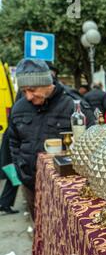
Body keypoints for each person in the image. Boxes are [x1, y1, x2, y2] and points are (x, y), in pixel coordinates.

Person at [8, 59, 95, 217]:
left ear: (47, 83)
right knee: (40, 230)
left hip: (67, 190)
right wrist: (22, 171)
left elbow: (94, 139)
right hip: (30, 184)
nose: (28, 96)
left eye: (32, 90)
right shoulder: (19, 107)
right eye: (23, 90)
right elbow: (13, 143)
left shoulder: (73, 104)